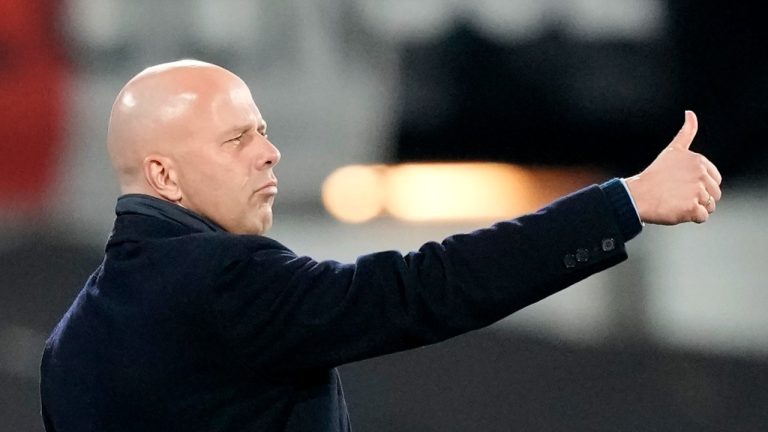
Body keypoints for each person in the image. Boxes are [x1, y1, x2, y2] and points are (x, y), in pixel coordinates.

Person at [40, 59, 722, 432]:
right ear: (165, 175)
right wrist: (624, 203)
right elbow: (425, 286)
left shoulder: (70, 344)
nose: (270, 154)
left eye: (263, 130)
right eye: (237, 139)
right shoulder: (222, 281)